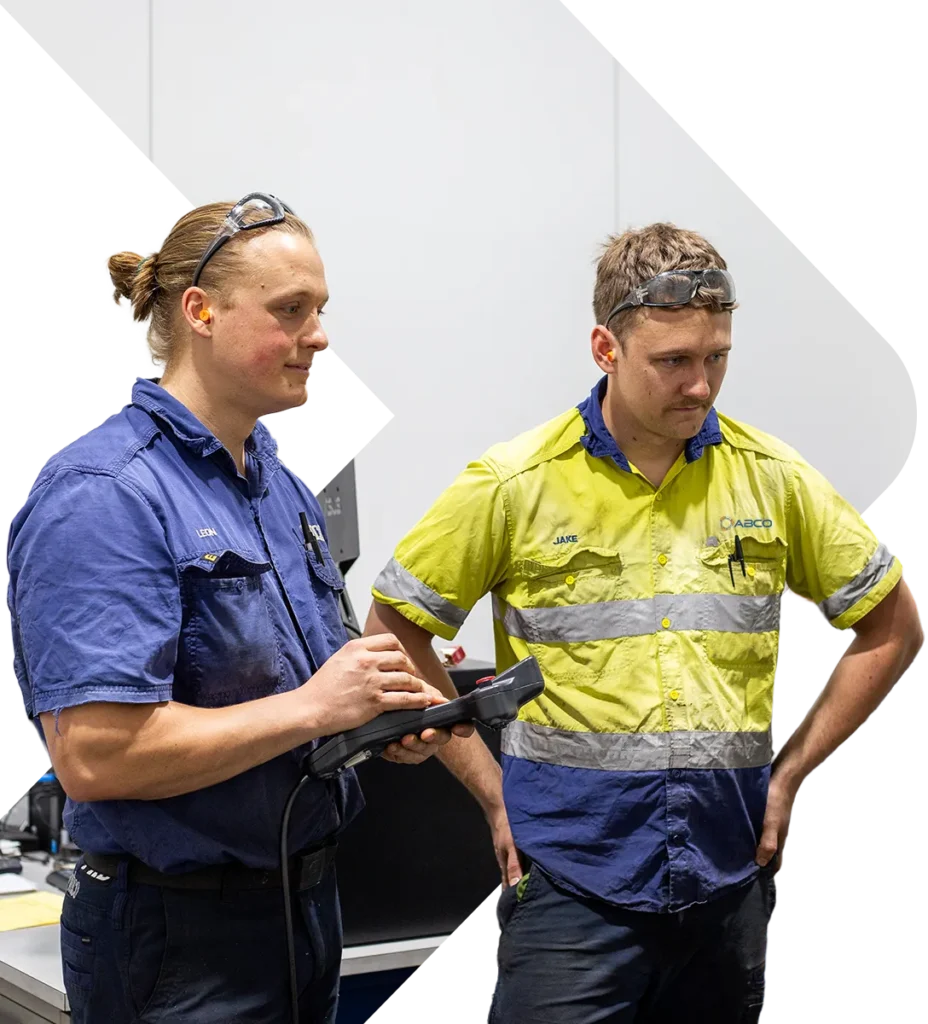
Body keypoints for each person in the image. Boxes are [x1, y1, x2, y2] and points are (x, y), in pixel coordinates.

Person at [363, 222, 924, 1023]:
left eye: (716, 357)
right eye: (673, 362)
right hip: (570, 886)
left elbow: (892, 625)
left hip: (728, 881)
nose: (700, 385)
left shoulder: (773, 479)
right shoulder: (514, 483)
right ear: (606, 348)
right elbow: (393, 626)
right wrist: (490, 793)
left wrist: (791, 774)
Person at [7, 192, 472, 1024]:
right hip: (180, 938)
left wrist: (370, 723)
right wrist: (313, 708)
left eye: (320, 310)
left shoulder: (275, 479)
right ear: (201, 313)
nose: (319, 335)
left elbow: (301, 695)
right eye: (290, 310)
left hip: (301, 913)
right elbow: (97, 757)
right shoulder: (107, 495)